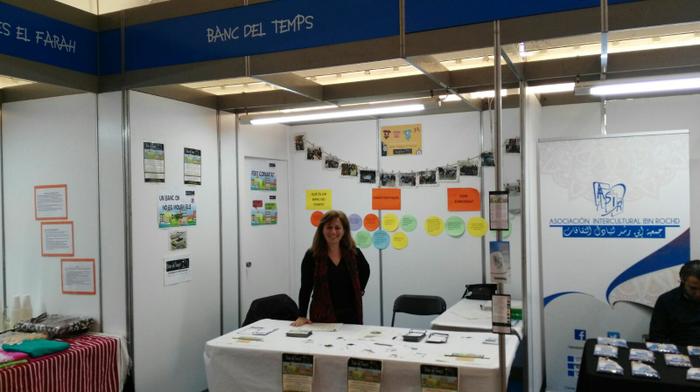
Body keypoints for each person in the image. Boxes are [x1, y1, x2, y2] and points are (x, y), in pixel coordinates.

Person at [292, 210, 370, 326]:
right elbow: (306, 287)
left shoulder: (354, 253)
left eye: (337, 228)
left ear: (344, 231)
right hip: (322, 316)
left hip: (351, 315)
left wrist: (360, 290)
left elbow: (366, 270)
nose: (333, 232)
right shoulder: (312, 256)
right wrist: (302, 315)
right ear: (322, 230)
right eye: (329, 227)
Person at [648, 259, 700, 346]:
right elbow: (657, 337)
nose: (698, 294)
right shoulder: (666, 301)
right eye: (693, 288)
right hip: (676, 353)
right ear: (682, 280)